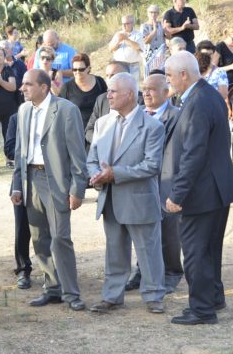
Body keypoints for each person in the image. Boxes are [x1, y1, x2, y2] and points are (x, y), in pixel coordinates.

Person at [164, 51, 233, 325]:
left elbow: (194, 154)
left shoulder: (197, 102)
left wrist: (177, 194)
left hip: (202, 193)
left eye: (170, 76)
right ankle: (213, 299)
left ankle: (202, 309)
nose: (169, 82)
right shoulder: (209, 95)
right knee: (209, 250)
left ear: (184, 74)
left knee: (196, 252)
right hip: (217, 189)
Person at [87, 73, 166, 314]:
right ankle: (112, 296)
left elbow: (152, 165)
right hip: (110, 198)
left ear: (130, 95)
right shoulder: (102, 123)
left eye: (113, 91)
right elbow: (91, 159)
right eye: (108, 91)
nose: (107, 95)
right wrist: (97, 176)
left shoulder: (152, 126)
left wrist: (115, 173)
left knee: (148, 251)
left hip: (139, 199)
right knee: (114, 250)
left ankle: (154, 296)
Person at [11, 69, 88, 312]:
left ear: (44, 87)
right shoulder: (23, 110)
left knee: (60, 239)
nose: (22, 88)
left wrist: (78, 189)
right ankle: (52, 288)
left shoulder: (66, 110)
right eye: (22, 84)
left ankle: (71, 293)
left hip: (55, 181)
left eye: (28, 84)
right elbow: (19, 152)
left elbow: (78, 154)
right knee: (39, 237)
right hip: (30, 179)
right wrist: (16, 185)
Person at [125, 74, 184, 294]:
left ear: (166, 92)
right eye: (144, 89)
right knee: (142, 227)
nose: (146, 93)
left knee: (169, 228)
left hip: (167, 178)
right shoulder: (135, 114)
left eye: (152, 89)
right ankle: (143, 270)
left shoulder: (177, 115)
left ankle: (171, 272)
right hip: (140, 178)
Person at [4, 112, 32, 289]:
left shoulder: (57, 113)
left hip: (49, 180)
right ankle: (23, 268)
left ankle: (52, 271)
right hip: (23, 178)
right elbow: (9, 148)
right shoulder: (17, 118)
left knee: (51, 229)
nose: (23, 90)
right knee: (22, 226)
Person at [58, 52, 108, 133]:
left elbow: (106, 103)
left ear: (88, 68)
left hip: (99, 129)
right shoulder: (67, 87)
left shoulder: (100, 82)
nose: (77, 72)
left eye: (81, 69)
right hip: (76, 132)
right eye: (74, 69)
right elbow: (60, 110)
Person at [85, 61, 131, 145]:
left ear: (126, 77)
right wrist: (100, 141)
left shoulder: (139, 100)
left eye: (113, 75)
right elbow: (89, 130)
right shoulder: (102, 99)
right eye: (107, 75)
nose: (109, 79)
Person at [109, 14, 143, 81]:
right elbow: (110, 48)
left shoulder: (138, 34)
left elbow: (138, 47)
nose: (124, 26)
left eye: (127, 23)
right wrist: (118, 41)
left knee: (133, 88)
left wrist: (126, 39)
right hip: (119, 66)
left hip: (132, 66)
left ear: (132, 24)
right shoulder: (118, 34)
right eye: (123, 24)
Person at [142, 4, 167, 75]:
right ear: (147, 13)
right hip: (149, 55)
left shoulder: (161, 24)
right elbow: (146, 41)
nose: (153, 14)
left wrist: (165, 29)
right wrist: (154, 30)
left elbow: (169, 37)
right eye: (151, 12)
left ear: (158, 13)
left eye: (155, 12)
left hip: (161, 54)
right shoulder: (144, 26)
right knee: (150, 75)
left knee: (161, 74)